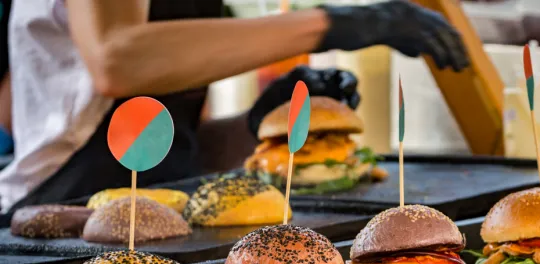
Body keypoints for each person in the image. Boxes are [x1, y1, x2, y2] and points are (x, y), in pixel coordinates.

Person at [0, 0, 469, 213]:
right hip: (55, 217)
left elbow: (179, 147)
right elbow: (118, 58)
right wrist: (332, 22)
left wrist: (258, 122)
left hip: (167, 220)